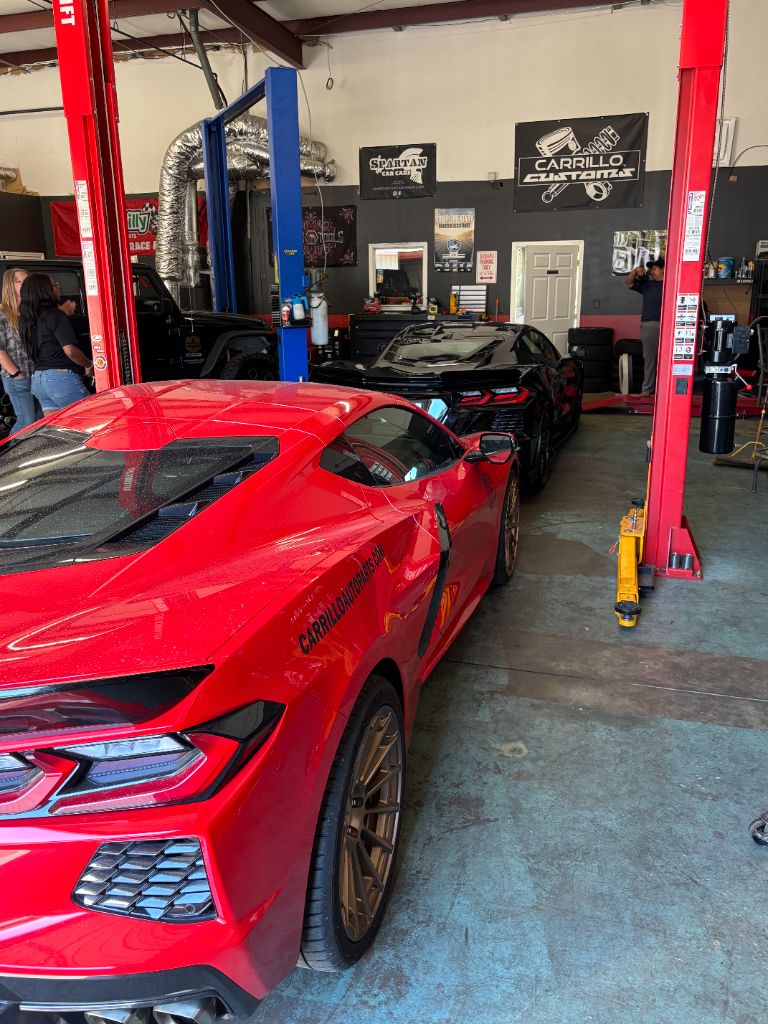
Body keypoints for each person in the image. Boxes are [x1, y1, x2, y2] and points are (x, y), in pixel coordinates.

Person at [19, 273, 93, 415]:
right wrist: (88, 364)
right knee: (91, 418)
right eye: (55, 286)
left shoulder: (25, 319)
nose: (58, 289)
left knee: (58, 429)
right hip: (60, 379)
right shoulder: (56, 316)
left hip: (39, 380)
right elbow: (70, 351)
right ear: (46, 290)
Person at [0, 267, 41, 432]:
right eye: (21, 281)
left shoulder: (28, 312)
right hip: (17, 378)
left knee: (39, 418)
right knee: (26, 421)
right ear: (11, 285)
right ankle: (11, 456)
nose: (26, 285)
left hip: (36, 375)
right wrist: (16, 374)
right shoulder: (2, 313)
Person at [626, 256, 665, 396]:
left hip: (669, 325)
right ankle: (647, 390)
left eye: (654, 269)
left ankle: (664, 390)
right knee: (649, 358)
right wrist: (636, 271)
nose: (652, 272)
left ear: (663, 270)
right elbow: (629, 282)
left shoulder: (672, 284)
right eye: (651, 269)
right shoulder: (647, 284)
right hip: (650, 325)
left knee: (667, 359)